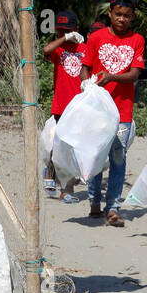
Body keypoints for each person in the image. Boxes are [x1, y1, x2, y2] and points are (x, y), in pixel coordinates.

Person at [80, 0, 145, 227]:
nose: (122, 19)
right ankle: (94, 201)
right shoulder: (96, 38)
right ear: (110, 13)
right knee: (96, 155)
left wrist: (112, 76)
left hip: (123, 112)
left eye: (127, 16)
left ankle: (113, 207)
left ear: (132, 16)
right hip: (98, 111)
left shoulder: (137, 40)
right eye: (118, 14)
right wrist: (86, 85)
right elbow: (84, 67)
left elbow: (135, 74)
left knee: (118, 157)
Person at [42, 10, 86, 200]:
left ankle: (67, 189)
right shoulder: (59, 48)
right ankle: (50, 172)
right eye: (60, 31)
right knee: (57, 144)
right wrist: (64, 38)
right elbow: (46, 50)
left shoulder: (85, 49)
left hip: (79, 105)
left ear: (77, 29)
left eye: (67, 31)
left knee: (73, 147)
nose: (63, 34)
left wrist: (82, 42)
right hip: (61, 105)